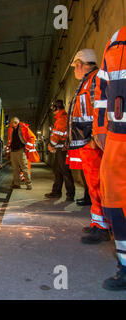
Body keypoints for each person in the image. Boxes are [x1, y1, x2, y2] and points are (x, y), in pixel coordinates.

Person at [93, 26, 126, 290]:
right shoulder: (116, 38)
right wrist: (100, 128)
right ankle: (125, 266)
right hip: (117, 135)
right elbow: (102, 90)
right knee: (113, 201)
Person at [67, 48, 110, 244]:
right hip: (86, 141)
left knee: (98, 185)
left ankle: (102, 227)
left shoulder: (94, 80)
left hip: (92, 142)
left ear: (80, 64)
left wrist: (95, 135)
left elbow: (99, 109)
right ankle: (97, 223)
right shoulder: (86, 82)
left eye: (75, 66)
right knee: (93, 186)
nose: (74, 71)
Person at [45, 100, 75, 201]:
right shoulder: (62, 118)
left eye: (53, 108)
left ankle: (70, 194)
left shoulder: (61, 119)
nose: (52, 110)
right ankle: (56, 192)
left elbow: (56, 135)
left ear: (56, 108)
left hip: (62, 149)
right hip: (60, 148)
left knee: (65, 171)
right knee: (57, 171)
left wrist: (50, 145)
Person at [6, 117, 39, 190]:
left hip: (21, 151)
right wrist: (8, 152)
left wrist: (27, 148)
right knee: (15, 169)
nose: (10, 124)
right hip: (13, 151)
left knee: (24, 168)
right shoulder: (11, 129)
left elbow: (32, 137)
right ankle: (16, 184)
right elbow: (9, 140)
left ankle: (29, 184)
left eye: (11, 123)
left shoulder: (23, 127)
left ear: (15, 123)